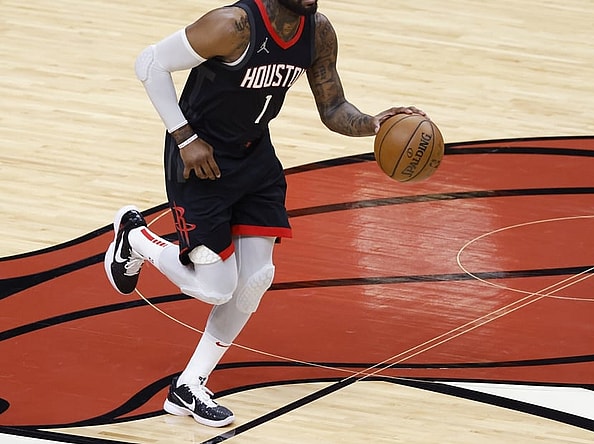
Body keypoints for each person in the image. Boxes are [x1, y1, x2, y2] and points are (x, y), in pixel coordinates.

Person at [104, 0, 425, 428]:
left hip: (255, 161)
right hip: (201, 160)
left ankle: (190, 386)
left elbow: (332, 107)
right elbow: (149, 64)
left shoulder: (317, 31)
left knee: (255, 279)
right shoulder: (233, 25)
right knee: (217, 287)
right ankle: (135, 238)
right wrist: (184, 137)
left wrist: (375, 124)